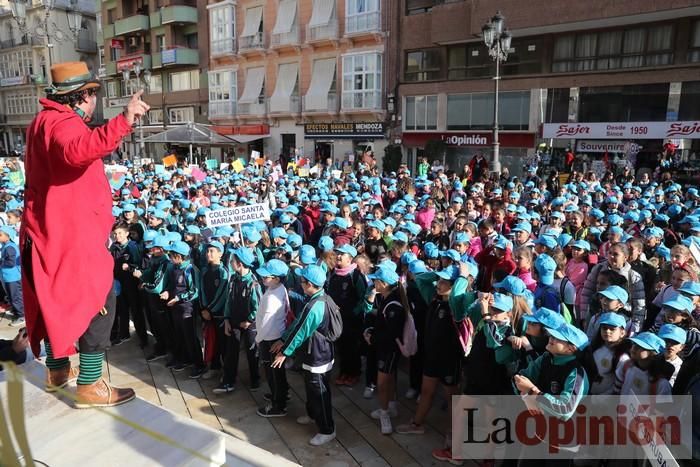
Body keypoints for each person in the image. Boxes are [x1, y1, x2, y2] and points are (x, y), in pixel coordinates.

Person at [22, 61, 148, 407]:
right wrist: (124, 120)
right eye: (93, 94)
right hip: (70, 233)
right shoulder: (63, 123)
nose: (95, 101)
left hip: (49, 229)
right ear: (83, 97)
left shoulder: (40, 122)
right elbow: (78, 151)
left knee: (54, 300)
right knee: (99, 299)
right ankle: (90, 384)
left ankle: (57, 370)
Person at [272, 265, 337, 446]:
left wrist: (285, 352)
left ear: (309, 284)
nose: (299, 284)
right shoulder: (317, 298)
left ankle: (327, 429)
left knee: (320, 393)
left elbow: (301, 332)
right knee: (311, 388)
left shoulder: (315, 306)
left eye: (301, 281)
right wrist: (284, 339)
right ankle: (312, 414)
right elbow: (299, 322)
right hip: (317, 353)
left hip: (318, 356)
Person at [255, 259, 290, 418]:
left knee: (272, 372)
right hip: (277, 334)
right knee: (278, 372)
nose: (263, 278)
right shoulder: (280, 288)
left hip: (270, 338)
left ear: (276, 278)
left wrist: (257, 339)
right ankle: (282, 393)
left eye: (266, 276)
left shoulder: (271, 298)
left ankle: (278, 405)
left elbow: (266, 323)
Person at [0, 225, 24, 327]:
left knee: (15, 297)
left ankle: (21, 315)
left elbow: (11, 262)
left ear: (8, 236)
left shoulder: (10, 247)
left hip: (13, 277)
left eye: (0, 235)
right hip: (8, 277)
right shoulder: (7, 245)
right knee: (11, 296)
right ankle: (16, 311)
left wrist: (1, 262)